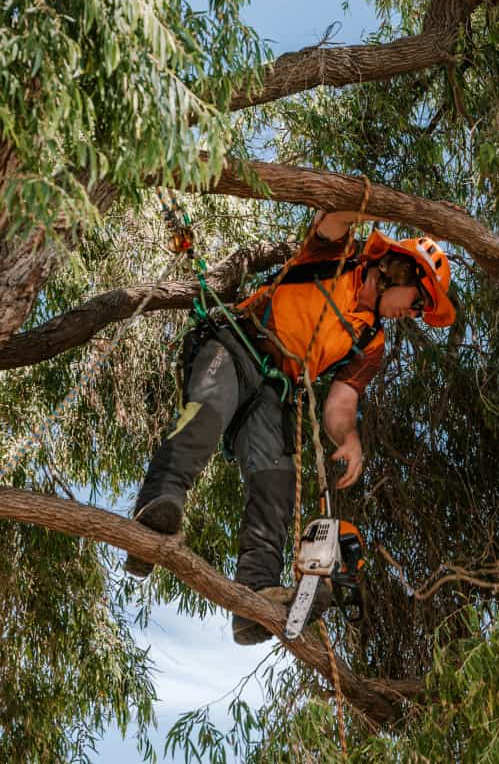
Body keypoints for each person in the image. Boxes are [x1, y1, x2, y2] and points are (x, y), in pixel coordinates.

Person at [123, 208, 455, 644]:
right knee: (206, 414)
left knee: (276, 483)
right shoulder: (336, 258)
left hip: (276, 390)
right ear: (400, 270)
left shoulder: (371, 341)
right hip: (237, 343)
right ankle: (154, 516)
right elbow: (333, 215)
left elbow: (341, 403)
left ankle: (254, 596)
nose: (414, 313)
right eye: (419, 302)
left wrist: (349, 438)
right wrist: (371, 202)